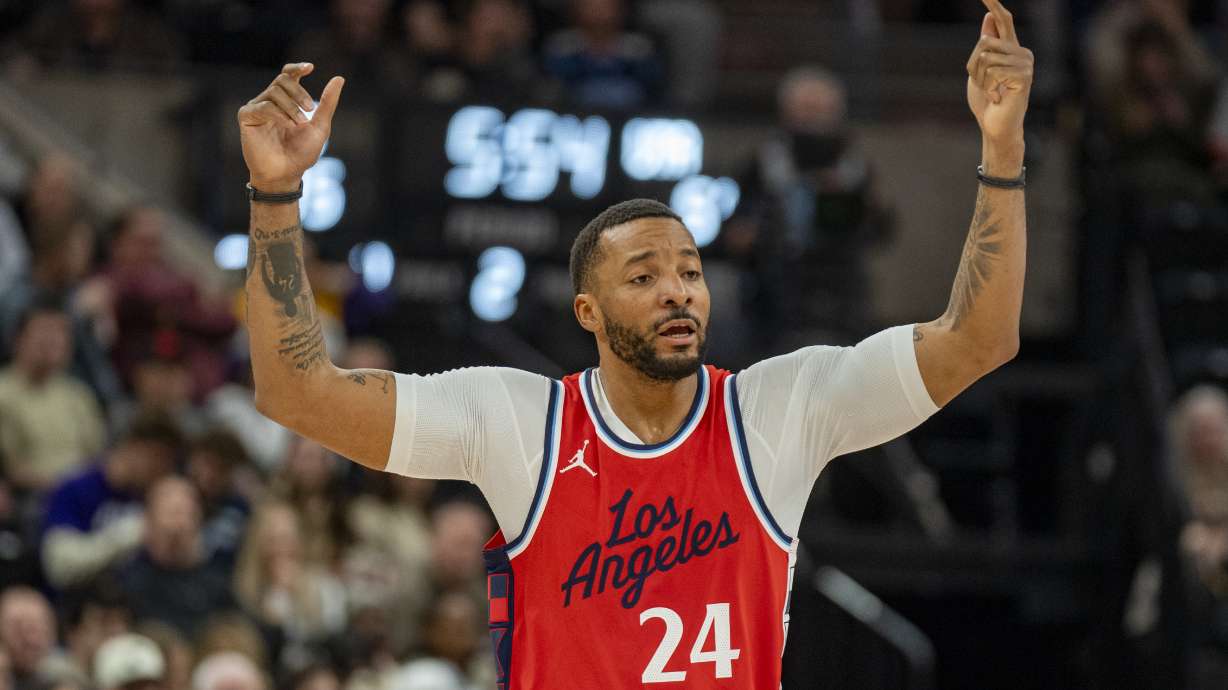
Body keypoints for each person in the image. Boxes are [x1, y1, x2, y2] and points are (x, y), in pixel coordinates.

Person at [235, 0, 1032, 684]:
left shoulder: (776, 408)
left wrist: (1001, 153)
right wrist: (275, 194)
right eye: (644, 276)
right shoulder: (520, 421)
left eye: (689, 270)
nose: (678, 288)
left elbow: (978, 341)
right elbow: (296, 393)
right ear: (587, 311)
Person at [41, 412, 183, 589]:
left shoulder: (152, 494)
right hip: (78, 601)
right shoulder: (75, 488)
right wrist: (131, 534)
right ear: (132, 446)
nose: (161, 471)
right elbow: (60, 567)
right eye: (157, 459)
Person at [0, 301, 106, 493]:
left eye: (61, 332)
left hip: (80, 497)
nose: (53, 340)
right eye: (44, 331)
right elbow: (11, 468)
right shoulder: (4, 393)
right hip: (27, 499)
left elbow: (96, 457)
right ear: (18, 339)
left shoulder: (78, 394)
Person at [113, 477, 237, 640]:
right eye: (171, 513)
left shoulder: (218, 584)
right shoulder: (126, 584)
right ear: (149, 521)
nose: (179, 524)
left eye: (185, 513)